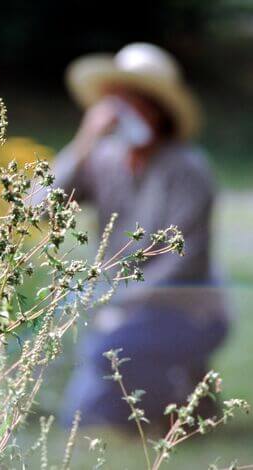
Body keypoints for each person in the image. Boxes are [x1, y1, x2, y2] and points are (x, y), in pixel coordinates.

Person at [37, 43, 230, 427]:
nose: (123, 112)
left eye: (136, 101)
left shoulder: (188, 169)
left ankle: (179, 396)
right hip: (123, 307)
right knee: (70, 352)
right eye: (116, 102)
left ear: (159, 111)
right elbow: (38, 208)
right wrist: (83, 142)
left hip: (187, 309)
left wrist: (116, 307)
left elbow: (184, 261)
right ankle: (183, 392)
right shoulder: (103, 159)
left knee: (98, 377)